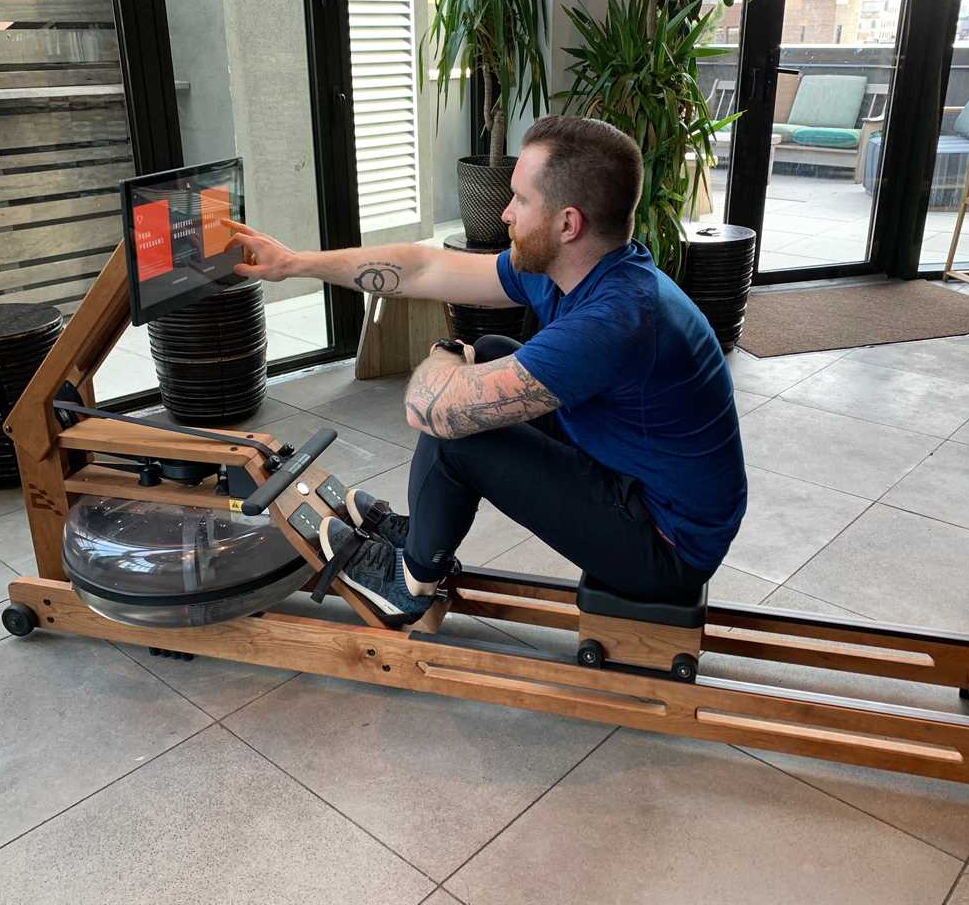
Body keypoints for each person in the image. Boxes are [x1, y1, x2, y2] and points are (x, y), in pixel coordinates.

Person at [227, 115, 747, 625]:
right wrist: (294, 264)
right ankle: (420, 537)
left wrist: (447, 352)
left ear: (568, 223)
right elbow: (424, 266)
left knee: (461, 432)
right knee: (495, 350)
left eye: (521, 199)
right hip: (637, 477)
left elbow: (429, 411)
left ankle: (406, 586)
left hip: (666, 545)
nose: (505, 213)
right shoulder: (587, 268)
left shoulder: (612, 321)